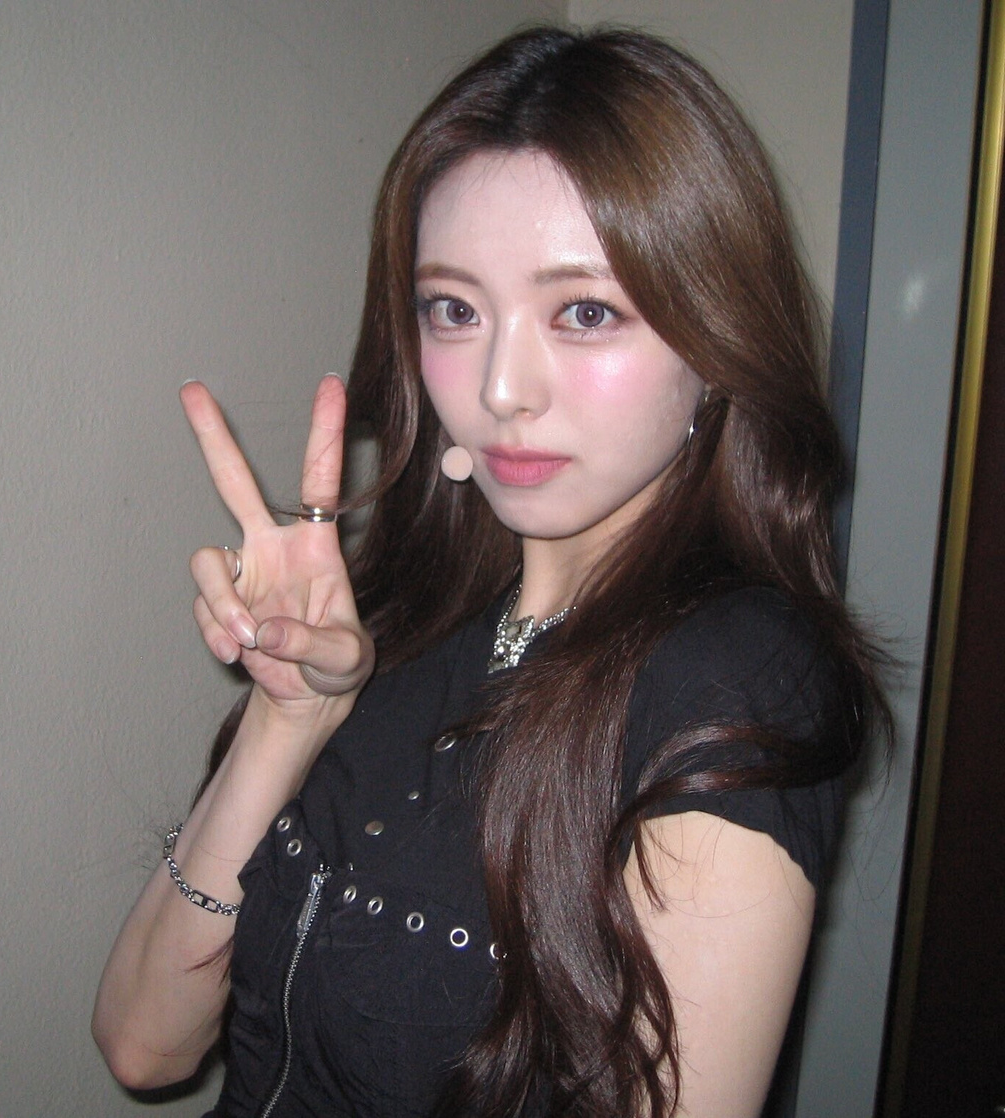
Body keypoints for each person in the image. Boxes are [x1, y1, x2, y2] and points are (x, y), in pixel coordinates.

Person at [93, 25, 887, 1118]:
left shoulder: (735, 674)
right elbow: (144, 1045)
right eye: (455, 310)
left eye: (585, 312)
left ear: (715, 339)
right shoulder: (389, 618)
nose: (503, 387)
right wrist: (286, 722)